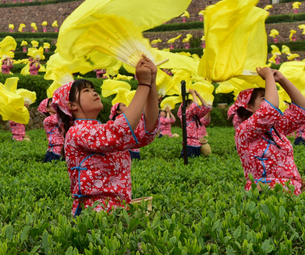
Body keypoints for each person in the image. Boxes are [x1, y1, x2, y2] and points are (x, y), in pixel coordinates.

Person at [55, 55, 159, 216]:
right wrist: (143, 84)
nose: (94, 92)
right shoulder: (77, 132)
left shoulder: (100, 128)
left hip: (118, 211)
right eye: (86, 91)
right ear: (72, 105)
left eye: (93, 89)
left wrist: (152, 83)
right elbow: (119, 132)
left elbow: (146, 132)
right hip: (94, 214)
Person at [233, 67, 305, 195]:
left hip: (291, 192)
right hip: (265, 195)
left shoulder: (276, 128)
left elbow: (302, 110)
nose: (269, 99)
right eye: (263, 98)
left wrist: (281, 79)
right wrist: (268, 77)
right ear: (249, 107)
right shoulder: (244, 130)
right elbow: (270, 108)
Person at [178, 90, 211, 158]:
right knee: (187, 165)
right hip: (189, 145)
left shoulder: (196, 117)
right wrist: (193, 94)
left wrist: (198, 94)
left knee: (195, 164)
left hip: (197, 144)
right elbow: (195, 106)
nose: (193, 104)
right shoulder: (184, 115)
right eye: (190, 103)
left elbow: (206, 107)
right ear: (185, 107)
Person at [39, 98, 63, 162]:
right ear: (47, 109)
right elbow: (61, 118)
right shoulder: (48, 120)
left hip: (64, 150)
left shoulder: (62, 117)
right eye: (53, 104)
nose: (56, 105)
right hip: (54, 153)